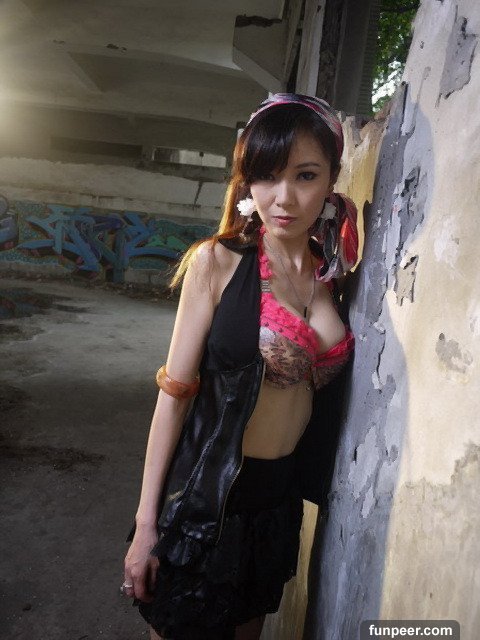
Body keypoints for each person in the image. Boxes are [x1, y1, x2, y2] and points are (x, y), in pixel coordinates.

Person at [122, 93, 358, 640]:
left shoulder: (332, 278)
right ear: (248, 181)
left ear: (331, 179)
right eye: (266, 176)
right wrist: (146, 524)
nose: (283, 198)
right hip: (206, 501)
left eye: (305, 175)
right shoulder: (218, 263)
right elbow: (173, 396)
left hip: (276, 506)